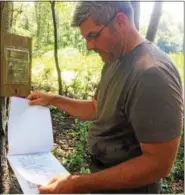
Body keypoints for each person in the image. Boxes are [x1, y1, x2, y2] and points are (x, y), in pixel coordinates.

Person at [28, 1, 183, 194]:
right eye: (85, 38)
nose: (89, 46)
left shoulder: (151, 73)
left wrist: (77, 184)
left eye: (93, 36)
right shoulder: (113, 59)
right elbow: (96, 108)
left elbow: (158, 164)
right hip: (105, 181)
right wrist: (53, 99)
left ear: (120, 21)